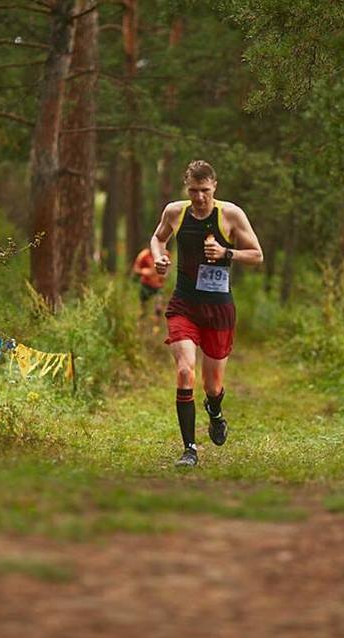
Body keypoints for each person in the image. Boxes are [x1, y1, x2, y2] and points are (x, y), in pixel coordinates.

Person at [149, 160, 263, 467]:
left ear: (215, 187)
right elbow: (158, 238)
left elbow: (257, 255)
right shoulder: (176, 211)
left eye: (205, 190)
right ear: (186, 188)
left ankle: (215, 413)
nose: (199, 197)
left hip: (218, 309)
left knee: (212, 386)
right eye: (193, 190)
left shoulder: (231, 214)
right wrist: (159, 258)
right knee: (185, 370)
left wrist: (227, 253)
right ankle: (190, 449)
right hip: (184, 304)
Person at [131, 246, 168, 328]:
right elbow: (135, 269)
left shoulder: (165, 254)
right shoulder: (143, 255)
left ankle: (156, 327)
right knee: (143, 308)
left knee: (158, 307)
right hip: (146, 285)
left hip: (158, 286)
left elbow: (167, 269)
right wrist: (144, 271)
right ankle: (140, 326)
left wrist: (164, 275)